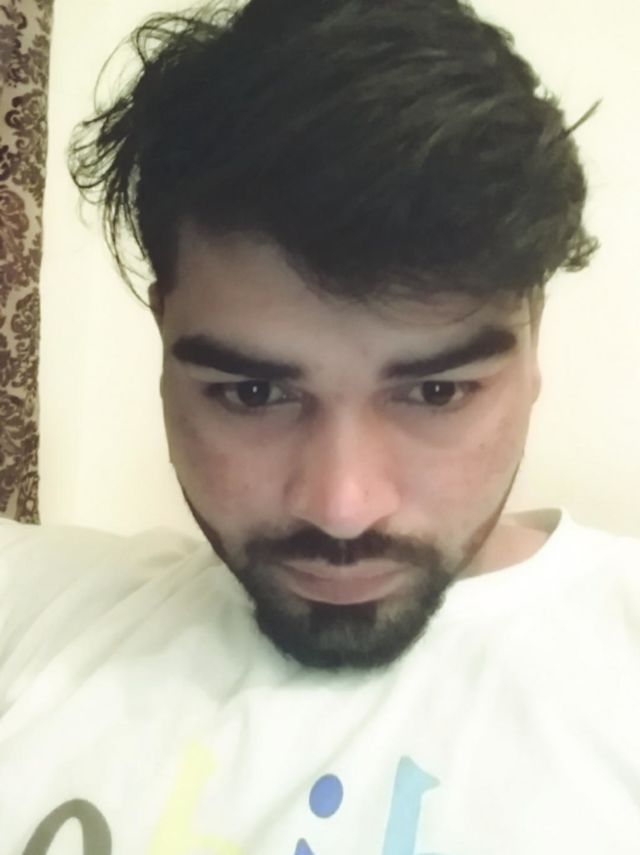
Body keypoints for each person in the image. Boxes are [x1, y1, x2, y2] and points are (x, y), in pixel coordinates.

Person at [1, 0, 639, 852]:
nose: (342, 506)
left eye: (436, 391)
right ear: (163, 333)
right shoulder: (37, 613)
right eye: (253, 393)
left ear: (534, 334)